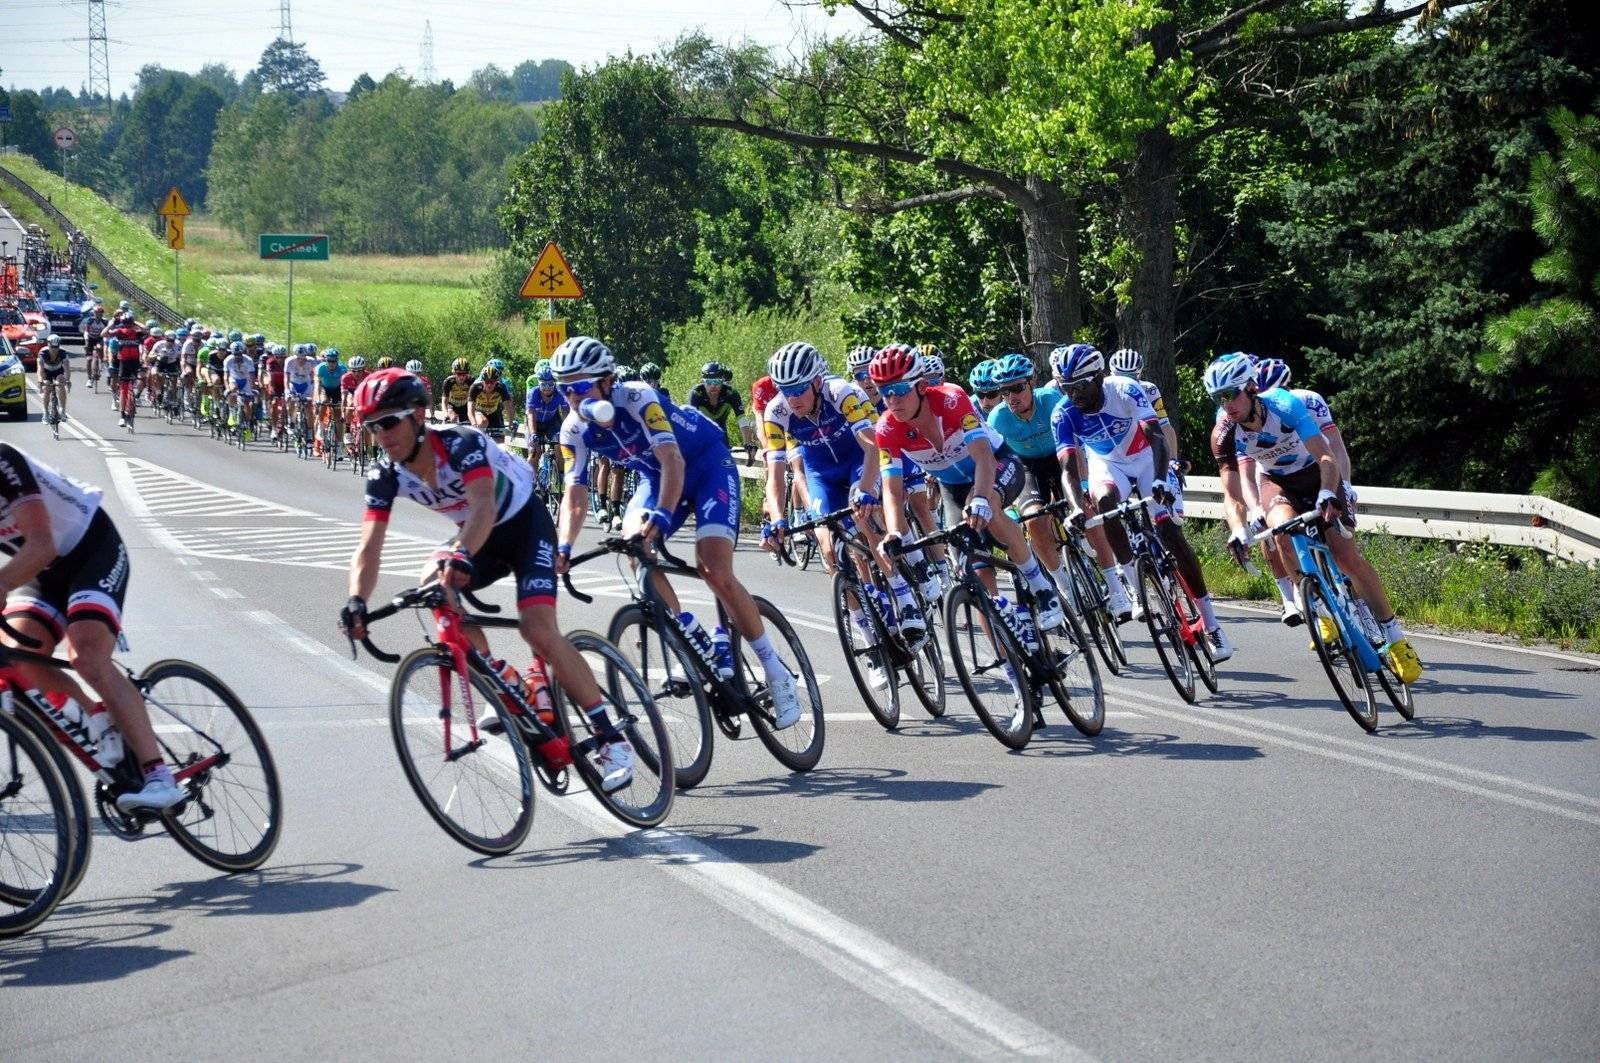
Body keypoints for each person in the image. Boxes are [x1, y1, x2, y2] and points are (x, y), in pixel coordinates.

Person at [339, 369, 635, 789]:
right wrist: (356, 601)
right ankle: (503, 677)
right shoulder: (384, 475)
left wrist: (461, 553)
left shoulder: (459, 442)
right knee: (431, 583)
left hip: (521, 524)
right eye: (372, 426)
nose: (381, 434)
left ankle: (611, 737)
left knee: (537, 629)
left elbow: (483, 506)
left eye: (388, 421)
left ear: (419, 416)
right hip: (480, 536)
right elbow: (369, 547)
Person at [551, 336, 803, 728]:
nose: (572, 397)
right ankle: (688, 631)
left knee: (714, 568)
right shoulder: (573, 431)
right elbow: (575, 495)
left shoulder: (637, 398)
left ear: (606, 381)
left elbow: (672, 458)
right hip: (655, 478)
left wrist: (665, 518)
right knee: (634, 546)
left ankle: (776, 670)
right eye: (565, 388)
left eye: (581, 386)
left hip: (705, 465)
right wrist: (563, 545)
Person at [1205, 352, 1421, 681]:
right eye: (1218, 398)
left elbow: (1325, 454)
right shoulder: (1224, 431)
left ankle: (1395, 638)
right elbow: (1233, 492)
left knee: (1345, 555)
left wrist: (1330, 492)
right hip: (1277, 481)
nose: (1226, 404)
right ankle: (1316, 605)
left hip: (1316, 472)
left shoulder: (1284, 404)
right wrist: (1238, 527)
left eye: (1231, 394)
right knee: (1279, 532)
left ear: (1250, 387)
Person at [0, 443, 186, 810]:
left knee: (87, 656)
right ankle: (98, 716)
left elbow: (42, 544)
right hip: (43, 573)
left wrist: (3, 584)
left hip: (91, 550)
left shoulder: (3, 461)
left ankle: (159, 776)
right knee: (18, 656)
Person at [1052, 343, 1233, 660]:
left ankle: (1212, 624)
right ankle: (1135, 585)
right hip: (1108, 464)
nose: (1074, 395)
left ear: (1099, 377)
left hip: (1147, 459)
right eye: (1067, 388)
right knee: (1105, 502)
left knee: (1169, 533)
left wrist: (1162, 480)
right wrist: (1078, 507)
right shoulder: (1063, 413)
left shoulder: (1125, 389)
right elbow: (1068, 468)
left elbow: (1156, 436)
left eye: (1080, 386)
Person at [870, 344, 1067, 630]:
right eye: (884, 392)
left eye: (899, 390)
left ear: (922, 386)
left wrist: (983, 499)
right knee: (975, 576)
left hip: (995, 465)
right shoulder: (886, 428)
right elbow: (892, 489)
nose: (892, 400)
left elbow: (983, 456)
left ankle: (1042, 587)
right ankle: (1013, 662)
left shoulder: (952, 399)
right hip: (952, 487)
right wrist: (894, 533)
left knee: (989, 506)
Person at [759, 342, 926, 669]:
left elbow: (872, 446)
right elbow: (776, 475)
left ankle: (903, 595)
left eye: (799, 390)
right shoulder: (776, 413)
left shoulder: (843, 393)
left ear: (817, 383)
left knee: (862, 515)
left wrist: (865, 489)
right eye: (784, 391)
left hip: (858, 459)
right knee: (829, 549)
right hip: (821, 471)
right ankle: (870, 642)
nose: (792, 399)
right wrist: (777, 518)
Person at [985, 351, 1083, 610]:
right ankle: (1062, 583)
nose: (1011, 397)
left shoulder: (1051, 399)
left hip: (1060, 457)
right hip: (1027, 467)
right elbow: (994, 461)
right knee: (1035, 520)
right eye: (1004, 392)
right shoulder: (998, 418)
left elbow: (1079, 437)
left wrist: (1084, 484)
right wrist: (1005, 501)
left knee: (1085, 502)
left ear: (1032, 382)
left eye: (1017, 388)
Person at [1108, 347, 1187, 523]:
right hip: (1119, 459)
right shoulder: (1104, 394)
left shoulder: (1149, 390)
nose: (1125, 383)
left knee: (1171, 520)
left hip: (1147, 454)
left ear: (1140, 375)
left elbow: (1165, 427)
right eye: (1119, 377)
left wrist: (1173, 459)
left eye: (1131, 378)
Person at [687, 361, 756, 461]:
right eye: (709, 382)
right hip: (701, 432)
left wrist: (748, 443)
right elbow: (690, 422)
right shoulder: (696, 393)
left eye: (717, 382)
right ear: (702, 381)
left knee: (724, 463)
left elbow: (742, 420)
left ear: (723, 381)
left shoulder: (731, 393)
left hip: (720, 431)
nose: (713, 386)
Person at [524, 362, 566, 480]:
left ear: (555, 384)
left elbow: (566, 412)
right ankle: (530, 482)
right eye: (543, 385)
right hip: (534, 423)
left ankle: (560, 477)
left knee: (561, 443)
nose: (547, 388)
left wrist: (568, 429)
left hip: (551, 422)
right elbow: (531, 415)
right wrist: (533, 434)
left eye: (550, 384)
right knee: (534, 451)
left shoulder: (560, 393)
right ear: (539, 384)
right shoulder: (533, 393)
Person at [468, 363, 513, 442]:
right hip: (479, 412)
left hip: (494, 413)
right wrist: (474, 424)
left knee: (500, 441)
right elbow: (470, 410)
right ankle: (479, 444)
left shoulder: (501, 387)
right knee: (483, 422)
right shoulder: (475, 387)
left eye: (492, 382)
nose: (489, 385)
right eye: (487, 382)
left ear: (496, 381)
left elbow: (509, 407)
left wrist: (511, 422)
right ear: (482, 381)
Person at [313, 348, 346, 456]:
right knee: (323, 402)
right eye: (329, 361)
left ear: (337, 360)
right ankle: (321, 427)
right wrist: (317, 398)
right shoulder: (321, 368)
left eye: (334, 361)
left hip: (337, 390)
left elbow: (345, 386)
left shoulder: (342, 369)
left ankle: (340, 445)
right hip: (324, 389)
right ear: (326, 360)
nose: (332, 363)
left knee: (338, 418)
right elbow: (317, 384)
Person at [35, 334, 70, 421]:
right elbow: (40, 369)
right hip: (46, 371)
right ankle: (46, 412)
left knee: (61, 382)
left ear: (59, 346)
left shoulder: (63, 353)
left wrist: (67, 380)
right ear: (48, 345)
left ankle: (63, 410)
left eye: (56, 347)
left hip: (58, 371)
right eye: (52, 347)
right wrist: (40, 381)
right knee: (46, 387)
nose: (54, 350)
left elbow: (67, 369)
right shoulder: (43, 353)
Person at [439, 357, 473, 423]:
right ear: (454, 372)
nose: (462, 377)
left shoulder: (471, 381)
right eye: (459, 374)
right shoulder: (448, 381)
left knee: (466, 426)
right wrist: (445, 413)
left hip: (464, 406)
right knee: (453, 417)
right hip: (451, 405)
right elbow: (444, 401)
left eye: (464, 374)